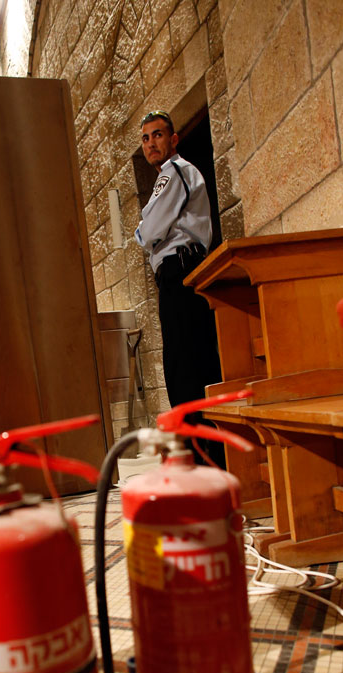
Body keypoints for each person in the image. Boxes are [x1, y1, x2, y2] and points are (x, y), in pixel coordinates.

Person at [135, 109, 224, 463]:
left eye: (157, 135)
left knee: (185, 371)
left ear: (173, 139)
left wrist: (144, 227)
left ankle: (200, 461)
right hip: (179, 274)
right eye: (145, 138)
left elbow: (149, 231)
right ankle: (205, 459)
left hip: (181, 271)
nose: (151, 143)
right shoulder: (171, 174)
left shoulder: (174, 171)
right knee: (191, 367)